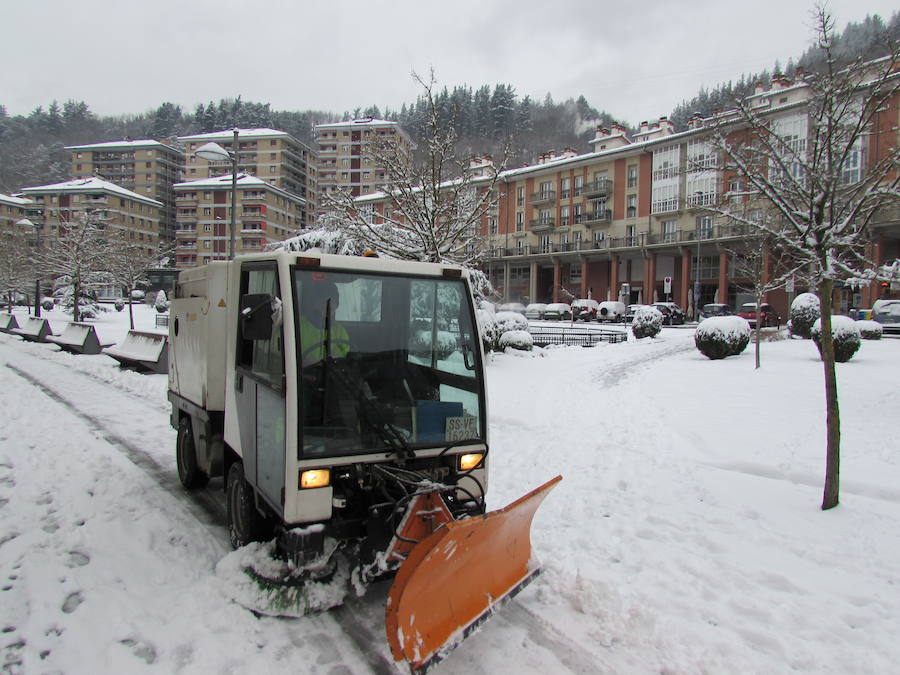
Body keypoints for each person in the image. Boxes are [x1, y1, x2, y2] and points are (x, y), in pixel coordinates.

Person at [299, 278, 351, 367]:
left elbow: (344, 356)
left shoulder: (340, 331)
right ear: (314, 303)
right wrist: (302, 360)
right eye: (323, 301)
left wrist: (336, 359)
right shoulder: (297, 326)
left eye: (333, 302)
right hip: (302, 375)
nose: (328, 306)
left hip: (331, 376)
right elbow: (279, 354)